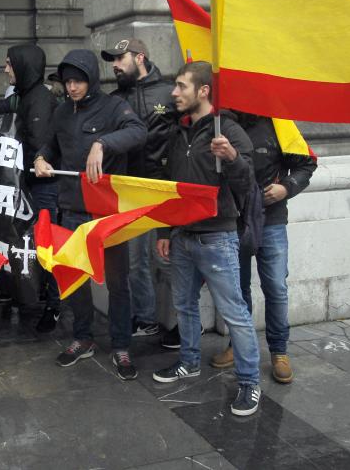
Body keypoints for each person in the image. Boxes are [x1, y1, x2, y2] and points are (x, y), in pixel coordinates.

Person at [152, 61, 261, 417]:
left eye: (181, 86)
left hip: (217, 238)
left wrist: (231, 159)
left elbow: (248, 185)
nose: (174, 92)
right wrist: (167, 231)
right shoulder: (179, 131)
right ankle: (189, 361)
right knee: (183, 305)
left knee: (234, 314)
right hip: (182, 236)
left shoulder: (228, 130)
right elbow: (171, 190)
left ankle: (249, 383)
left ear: (203, 91)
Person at [34, 49, 147, 380]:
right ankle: (82, 338)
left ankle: (121, 345)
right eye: (68, 81)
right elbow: (49, 145)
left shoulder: (114, 107)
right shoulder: (60, 112)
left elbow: (138, 131)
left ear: (91, 79)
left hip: (107, 212)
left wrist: (103, 143)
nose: (72, 87)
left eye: (78, 81)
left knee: (117, 282)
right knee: (75, 278)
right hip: (71, 209)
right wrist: (42, 158)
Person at [210, 113, 317, 384]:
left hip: (271, 220)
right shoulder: (221, 124)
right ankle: (238, 346)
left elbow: (307, 164)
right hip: (232, 219)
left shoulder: (279, 123)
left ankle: (279, 351)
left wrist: (286, 188)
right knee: (237, 288)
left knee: (276, 288)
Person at [101, 38, 178, 340]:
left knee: (168, 260)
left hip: (164, 190)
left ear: (140, 57)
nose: (115, 66)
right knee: (134, 262)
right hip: (128, 191)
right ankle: (146, 318)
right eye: (113, 60)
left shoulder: (170, 92)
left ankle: (182, 324)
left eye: (120, 58)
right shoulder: (114, 99)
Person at [5, 44, 61, 332]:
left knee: (46, 244)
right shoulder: (26, 97)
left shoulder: (39, 100)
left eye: (9, 65)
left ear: (23, 66)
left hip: (44, 188)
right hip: (31, 187)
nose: (5, 70)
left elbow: (40, 144)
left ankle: (54, 305)